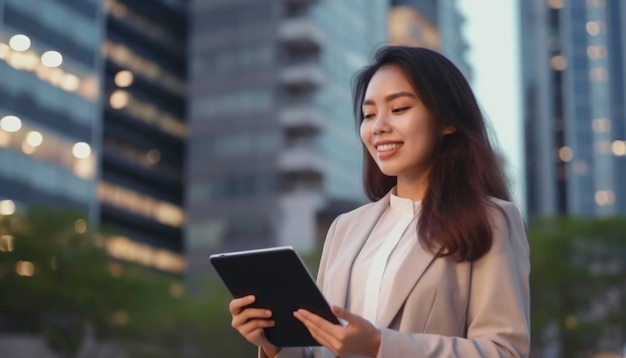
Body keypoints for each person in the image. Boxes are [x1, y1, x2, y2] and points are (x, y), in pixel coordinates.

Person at [229, 46, 530, 358]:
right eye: (369, 114)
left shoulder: (491, 219)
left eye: (399, 109)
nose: (378, 126)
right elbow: (322, 351)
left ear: (447, 121)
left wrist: (379, 346)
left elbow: (504, 351)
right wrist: (274, 345)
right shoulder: (345, 228)